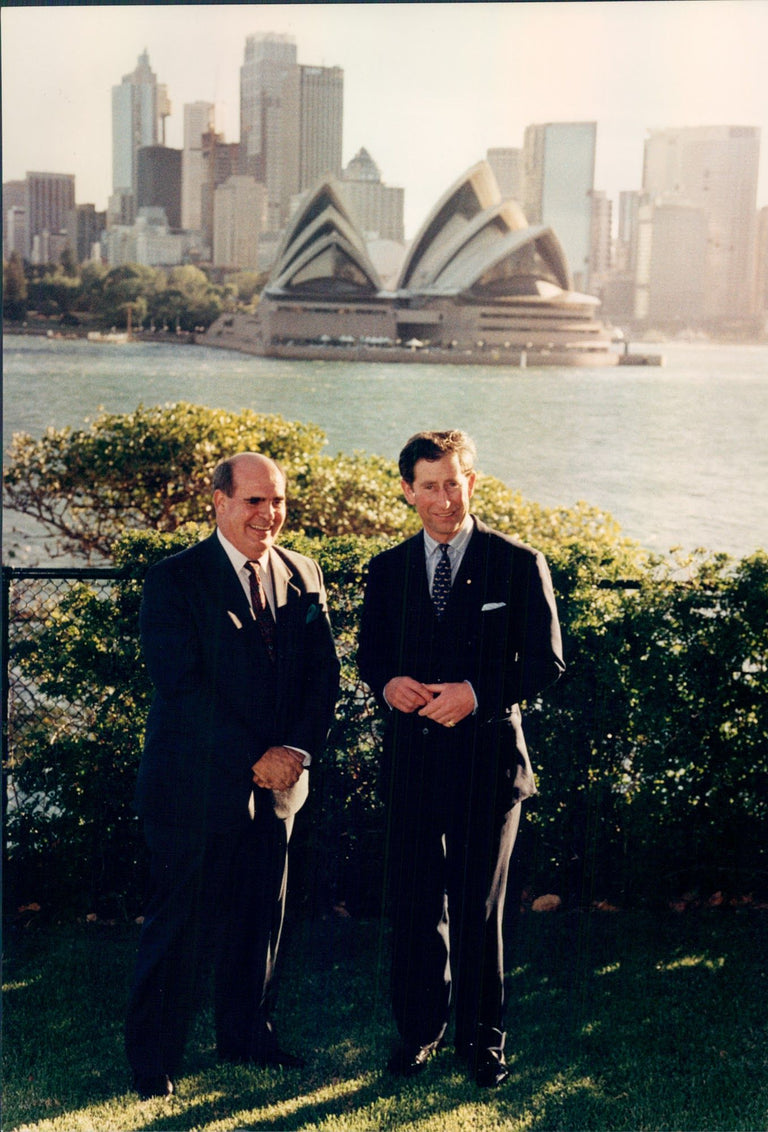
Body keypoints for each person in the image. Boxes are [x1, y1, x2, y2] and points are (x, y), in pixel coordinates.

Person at [125, 452, 340, 1099]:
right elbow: (183, 688)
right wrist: (256, 756)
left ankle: (247, 1034)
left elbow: (323, 679)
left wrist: (296, 751)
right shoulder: (174, 580)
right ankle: (153, 1058)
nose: (268, 515)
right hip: (193, 786)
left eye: (276, 501)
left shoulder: (304, 573)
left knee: (261, 917)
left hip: (279, 790)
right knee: (181, 925)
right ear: (217, 502)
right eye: (253, 501)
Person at [357, 430, 564, 1088]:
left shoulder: (517, 562)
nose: (443, 498)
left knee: (479, 908)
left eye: (454, 482)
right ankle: (419, 1032)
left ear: (472, 482)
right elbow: (371, 659)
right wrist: (388, 684)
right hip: (413, 765)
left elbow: (547, 662)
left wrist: (477, 693)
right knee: (415, 907)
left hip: (489, 768)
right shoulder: (386, 570)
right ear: (407, 491)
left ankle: (482, 1040)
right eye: (429, 485)